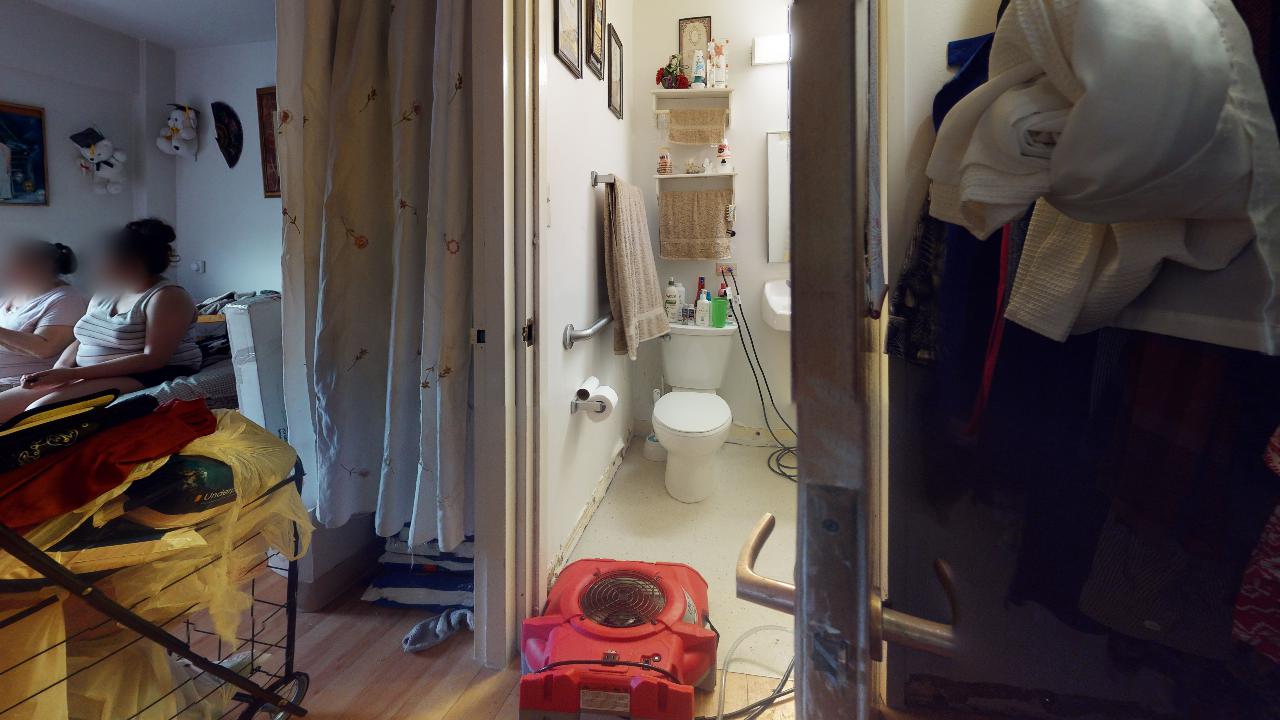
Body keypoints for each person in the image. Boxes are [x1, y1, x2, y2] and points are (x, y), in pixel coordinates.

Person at [0, 219, 201, 422]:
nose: (100, 267)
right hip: (90, 373)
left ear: (133, 262)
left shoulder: (167, 296)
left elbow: (154, 359)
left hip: (146, 374)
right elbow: (82, 338)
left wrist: (73, 376)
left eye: (108, 260)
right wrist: (59, 370)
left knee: (39, 411)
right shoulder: (106, 293)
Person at [0, 240, 87, 390]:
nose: (9, 269)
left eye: (19, 264)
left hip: (19, 384)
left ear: (44, 267)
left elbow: (45, 349)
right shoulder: (14, 295)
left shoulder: (67, 299)